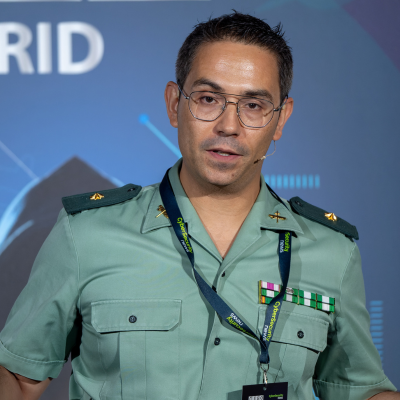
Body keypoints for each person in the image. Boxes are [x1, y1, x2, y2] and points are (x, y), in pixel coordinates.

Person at [0, 11, 398, 400]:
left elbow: (361, 391)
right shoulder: (87, 234)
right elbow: (18, 379)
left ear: (280, 119)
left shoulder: (332, 253)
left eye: (254, 106)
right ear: (174, 103)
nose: (229, 125)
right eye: (208, 99)